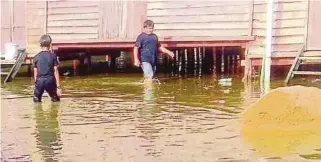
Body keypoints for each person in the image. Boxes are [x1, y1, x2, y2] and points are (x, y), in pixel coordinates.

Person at [33, 34, 61, 102]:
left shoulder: (36, 57)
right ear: (49, 44)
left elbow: (35, 72)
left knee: (36, 100)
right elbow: (55, 71)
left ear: (40, 45)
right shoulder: (53, 56)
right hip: (50, 81)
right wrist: (58, 87)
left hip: (39, 81)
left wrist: (36, 84)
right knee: (55, 100)